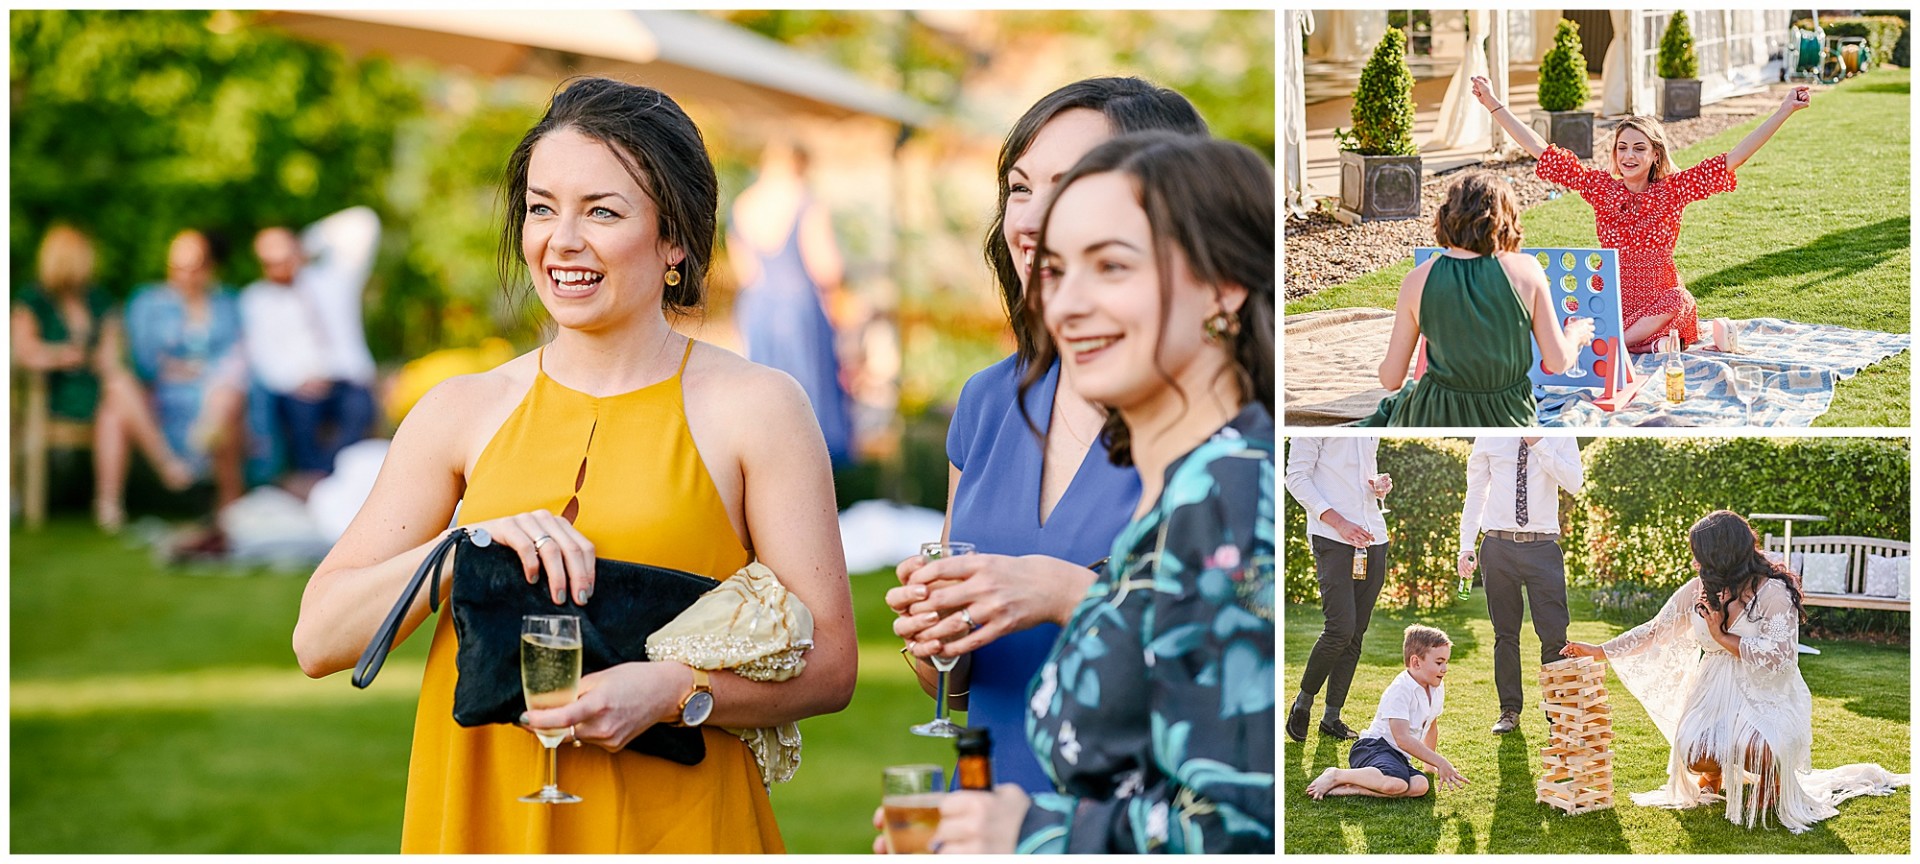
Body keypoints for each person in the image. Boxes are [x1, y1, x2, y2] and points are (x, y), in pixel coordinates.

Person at [291, 77, 856, 853]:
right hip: (488, 819)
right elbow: (319, 639)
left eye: (602, 211)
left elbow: (831, 666)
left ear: (674, 241)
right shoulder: (461, 409)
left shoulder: (759, 407)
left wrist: (671, 692)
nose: (562, 239)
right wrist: (461, 549)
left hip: (678, 826)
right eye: (542, 207)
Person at [925, 132, 1274, 854]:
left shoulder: (1228, 488)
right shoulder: (1182, 488)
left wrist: (1027, 831)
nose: (1068, 304)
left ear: (1224, 285)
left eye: (1111, 266)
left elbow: (1246, 830)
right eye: (1054, 271)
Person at [884, 78, 1207, 796]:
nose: (1027, 219)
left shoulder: (1223, 412)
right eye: (1019, 187)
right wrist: (937, 639)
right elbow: (964, 685)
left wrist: (1064, 592)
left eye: (1069, 188)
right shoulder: (987, 402)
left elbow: (1236, 670)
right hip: (994, 814)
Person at [1563, 511, 1908, 832]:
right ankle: (1713, 775)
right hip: (1714, 691)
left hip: (1766, 692)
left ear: (1723, 554)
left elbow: (1781, 660)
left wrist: (1721, 636)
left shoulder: (1773, 592)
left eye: (1700, 553)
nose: (1695, 561)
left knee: (1758, 748)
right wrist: (1600, 651)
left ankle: (1772, 781)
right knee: (1695, 754)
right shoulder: (1699, 587)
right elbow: (1656, 630)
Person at [1473, 75, 1812, 352]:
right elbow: (1539, 149)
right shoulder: (1601, 188)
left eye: (1639, 148)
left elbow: (1734, 158)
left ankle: (1618, 344)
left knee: (1679, 298)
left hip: (1658, 304)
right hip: (1609, 296)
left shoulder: (1673, 190)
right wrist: (1493, 104)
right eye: (1622, 148)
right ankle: (1647, 346)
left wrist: (1784, 110)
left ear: (1654, 155)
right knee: (1551, 312)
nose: (1629, 156)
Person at [1361, 172, 1595, 426]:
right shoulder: (1527, 270)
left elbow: (1391, 380)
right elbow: (1558, 362)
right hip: (1508, 416)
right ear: (1507, 219)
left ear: (1447, 216)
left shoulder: (1416, 280)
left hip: (1433, 415)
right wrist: (1575, 334)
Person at [11, 225, 194, 530]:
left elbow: (110, 355)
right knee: (118, 393)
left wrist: (101, 361)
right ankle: (163, 465)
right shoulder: (33, 299)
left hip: (97, 386)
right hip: (56, 390)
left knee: (115, 403)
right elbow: (25, 353)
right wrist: (61, 355)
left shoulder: (99, 299)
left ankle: (109, 504)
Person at [728, 138, 856, 466]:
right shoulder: (805, 201)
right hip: (800, 310)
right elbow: (826, 267)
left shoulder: (745, 203)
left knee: (764, 396)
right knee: (807, 401)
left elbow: (745, 271)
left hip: (759, 307)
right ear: (800, 165)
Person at [239, 208, 383, 483]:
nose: (278, 266)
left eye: (283, 256)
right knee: (299, 413)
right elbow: (263, 355)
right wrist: (297, 380)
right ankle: (317, 481)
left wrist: (307, 241)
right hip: (298, 387)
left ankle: (341, 480)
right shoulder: (256, 298)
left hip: (348, 379)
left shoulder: (334, 279)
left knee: (358, 408)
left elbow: (363, 223)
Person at [1457, 435, 1582, 735]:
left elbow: (1574, 482)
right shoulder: (1490, 433)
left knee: (1554, 635)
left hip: (1543, 548)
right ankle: (1509, 711)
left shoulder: (1558, 433)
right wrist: (1466, 545)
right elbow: (1476, 492)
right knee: (1505, 635)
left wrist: (1539, 444)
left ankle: (1559, 715)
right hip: (1497, 547)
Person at [124, 229, 250, 511]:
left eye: (194, 268)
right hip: (166, 397)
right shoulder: (148, 302)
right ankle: (184, 465)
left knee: (227, 395)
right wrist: (180, 368)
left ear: (209, 268)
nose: (185, 276)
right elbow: (144, 360)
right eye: (178, 268)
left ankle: (225, 499)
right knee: (118, 391)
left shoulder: (227, 303)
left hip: (218, 393)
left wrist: (201, 371)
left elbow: (236, 355)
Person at [1283, 436, 1390, 741]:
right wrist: (1340, 523)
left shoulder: (1371, 426)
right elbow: (1296, 478)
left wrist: (1378, 486)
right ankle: (1302, 704)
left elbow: (1358, 476)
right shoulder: (1312, 427)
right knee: (1340, 629)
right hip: (1333, 538)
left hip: (1373, 537)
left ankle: (1332, 717)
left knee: (1356, 633)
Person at [1304, 625, 1468, 800]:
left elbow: (1431, 725)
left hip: (1399, 757)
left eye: (1446, 662)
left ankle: (1352, 788)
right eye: (1439, 662)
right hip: (1373, 749)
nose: (1444, 668)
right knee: (1396, 783)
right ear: (1416, 662)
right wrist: (1440, 761)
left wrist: (1430, 766)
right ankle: (1337, 774)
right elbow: (1402, 739)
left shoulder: (1437, 687)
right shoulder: (1401, 689)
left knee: (1421, 785)